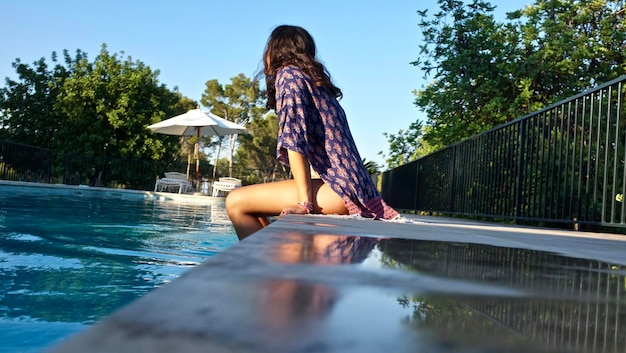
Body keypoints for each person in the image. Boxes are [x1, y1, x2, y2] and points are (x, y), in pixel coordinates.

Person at [226, 25, 399, 240]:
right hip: (355, 189)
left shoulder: (288, 76)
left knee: (235, 201)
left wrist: (304, 204)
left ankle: (262, 270)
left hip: (340, 192)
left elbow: (295, 142)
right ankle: (271, 266)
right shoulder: (314, 82)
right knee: (254, 207)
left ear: (276, 49)